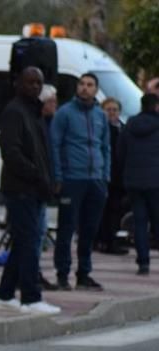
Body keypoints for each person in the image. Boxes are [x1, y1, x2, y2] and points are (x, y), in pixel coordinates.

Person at [0, 67, 61, 316]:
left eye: (38, 83)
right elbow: (12, 153)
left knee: (25, 242)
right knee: (30, 242)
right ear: (18, 84)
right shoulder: (14, 112)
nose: (34, 87)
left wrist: (48, 179)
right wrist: (37, 175)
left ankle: (5, 293)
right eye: (29, 82)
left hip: (35, 189)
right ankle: (31, 297)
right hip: (21, 188)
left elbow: (42, 152)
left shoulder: (35, 112)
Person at [50, 72, 110, 291]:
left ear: (96, 89)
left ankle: (84, 274)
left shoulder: (101, 115)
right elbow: (54, 146)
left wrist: (105, 176)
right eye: (82, 84)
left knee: (89, 230)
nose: (85, 88)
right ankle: (62, 274)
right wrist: (58, 176)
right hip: (72, 179)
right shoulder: (64, 113)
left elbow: (105, 147)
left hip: (96, 180)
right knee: (66, 229)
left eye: (90, 85)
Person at [117, 93, 159, 275]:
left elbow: (120, 152)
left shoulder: (129, 125)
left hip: (133, 180)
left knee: (140, 222)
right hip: (155, 180)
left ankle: (143, 262)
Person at [95, 97, 129, 255]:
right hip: (103, 174)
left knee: (114, 210)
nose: (112, 113)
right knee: (103, 210)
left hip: (118, 177)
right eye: (109, 109)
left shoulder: (123, 128)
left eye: (115, 110)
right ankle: (102, 240)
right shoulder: (100, 128)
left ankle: (109, 240)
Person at [37, 83, 59, 291]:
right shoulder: (38, 123)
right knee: (36, 232)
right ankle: (32, 275)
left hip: (43, 185)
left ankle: (34, 273)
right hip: (33, 187)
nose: (55, 105)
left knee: (40, 232)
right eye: (51, 101)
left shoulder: (51, 123)